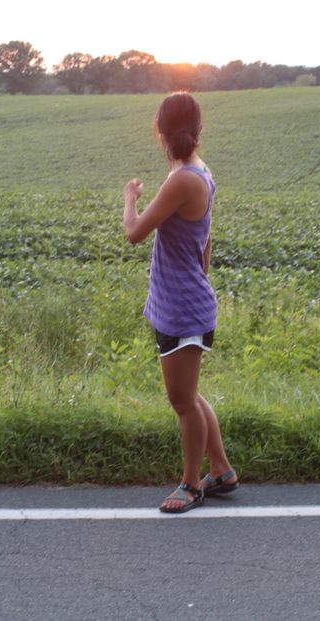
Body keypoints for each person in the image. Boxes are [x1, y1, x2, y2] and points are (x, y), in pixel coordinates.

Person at [122, 92, 239, 513]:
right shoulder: (197, 171)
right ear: (199, 129)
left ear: (159, 130)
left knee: (183, 403)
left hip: (182, 308)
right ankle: (221, 471)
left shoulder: (182, 179)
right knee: (190, 395)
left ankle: (191, 486)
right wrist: (199, 274)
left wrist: (130, 197)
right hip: (185, 301)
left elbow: (134, 233)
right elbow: (206, 237)